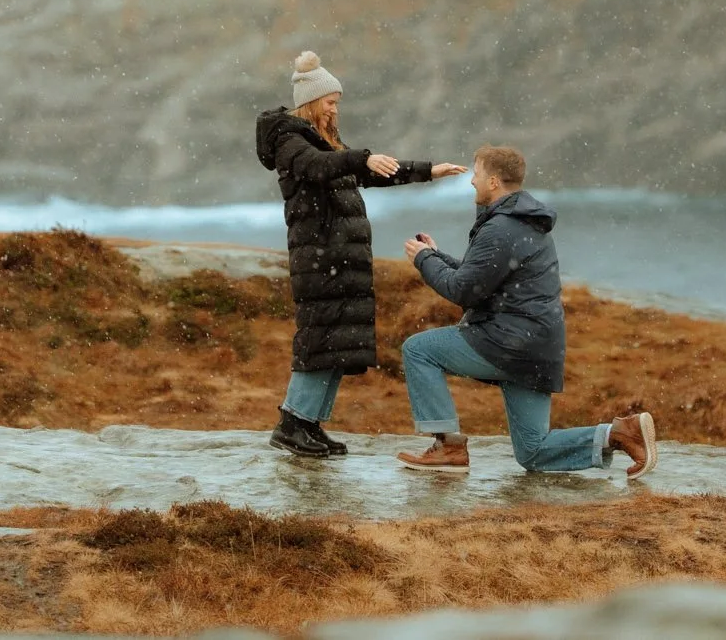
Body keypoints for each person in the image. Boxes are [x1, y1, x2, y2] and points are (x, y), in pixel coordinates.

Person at [395, 144, 656, 477]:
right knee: (532, 452)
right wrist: (436, 256)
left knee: (418, 350)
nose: (472, 181)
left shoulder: (500, 228)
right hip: (535, 348)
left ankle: (447, 447)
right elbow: (480, 276)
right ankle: (619, 434)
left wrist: (422, 259)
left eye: (476, 174)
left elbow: (462, 290)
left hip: (507, 343)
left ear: (493, 182)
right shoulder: (522, 222)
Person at [255, 50, 466, 458]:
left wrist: (427, 170)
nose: (335, 109)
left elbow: (365, 171)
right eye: (331, 102)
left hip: (339, 258)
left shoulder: (323, 141)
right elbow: (319, 166)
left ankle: (309, 425)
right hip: (318, 256)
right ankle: (292, 424)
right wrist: (361, 156)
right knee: (319, 340)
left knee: (336, 342)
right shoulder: (289, 140)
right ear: (313, 102)